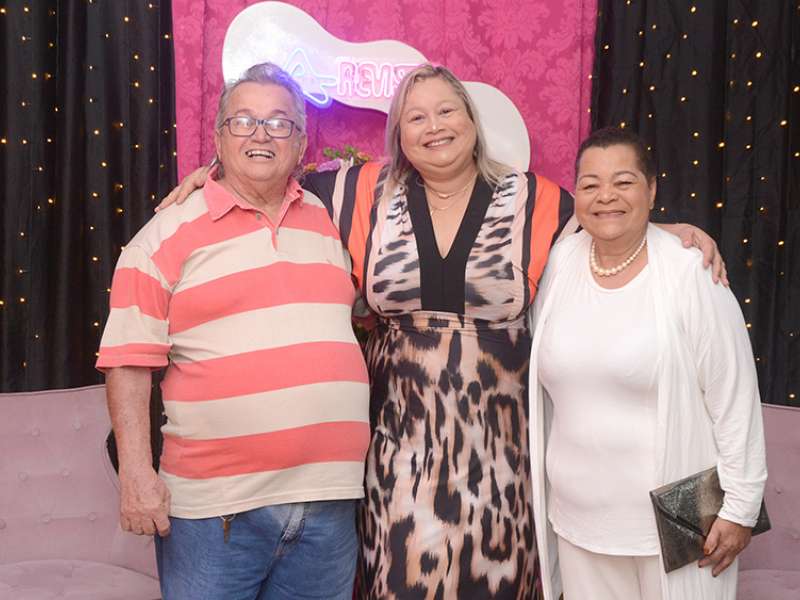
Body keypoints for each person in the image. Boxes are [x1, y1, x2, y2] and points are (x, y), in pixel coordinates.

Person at [161, 64, 725, 599]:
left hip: (504, 451)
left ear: (472, 120)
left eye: (447, 110)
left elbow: (610, 224)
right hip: (397, 448)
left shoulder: (538, 200)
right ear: (399, 134)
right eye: (416, 116)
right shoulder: (357, 192)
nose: (434, 126)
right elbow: (265, 174)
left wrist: (668, 232)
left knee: (497, 582)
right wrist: (210, 175)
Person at [96, 63, 370, 600]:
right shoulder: (162, 237)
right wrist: (135, 474)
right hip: (214, 513)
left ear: (301, 143)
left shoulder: (329, 215)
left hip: (330, 505)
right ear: (219, 138)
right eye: (243, 121)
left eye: (279, 123)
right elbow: (127, 362)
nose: (261, 135)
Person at [529, 127, 766, 600]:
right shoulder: (560, 261)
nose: (606, 196)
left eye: (624, 182)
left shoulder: (689, 270)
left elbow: (734, 395)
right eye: (591, 184)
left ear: (652, 189)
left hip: (681, 518)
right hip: (577, 518)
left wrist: (741, 507)